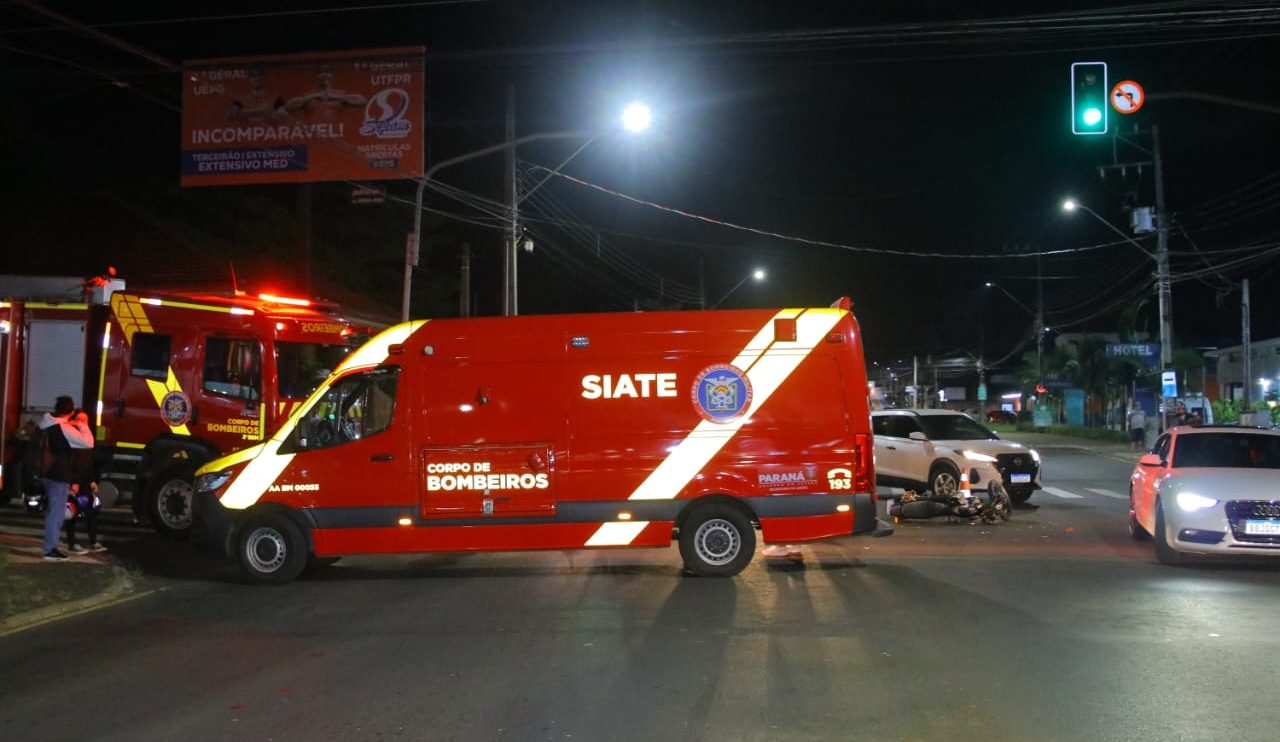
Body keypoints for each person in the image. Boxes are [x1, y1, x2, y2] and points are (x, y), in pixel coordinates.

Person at [37, 396, 93, 561]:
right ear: (70, 411)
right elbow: (88, 442)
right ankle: (50, 550)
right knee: (56, 513)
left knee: (53, 512)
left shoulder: (45, 422)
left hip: (45, 473)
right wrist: (82, 425)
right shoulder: (63, 427)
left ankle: (50, 546)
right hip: (58, 475)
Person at [63, 410, 106, 554]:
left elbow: (88, 462)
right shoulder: (71, 439)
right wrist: (73, 482)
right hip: (75, 483)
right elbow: (69, 463)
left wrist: (93, 480)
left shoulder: (87, 438)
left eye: (85, 420)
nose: (82, 422)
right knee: (72, 513)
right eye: (80, 419)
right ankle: (72, 544)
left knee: (92, 511)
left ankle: (93, 541)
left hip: (86, 482)